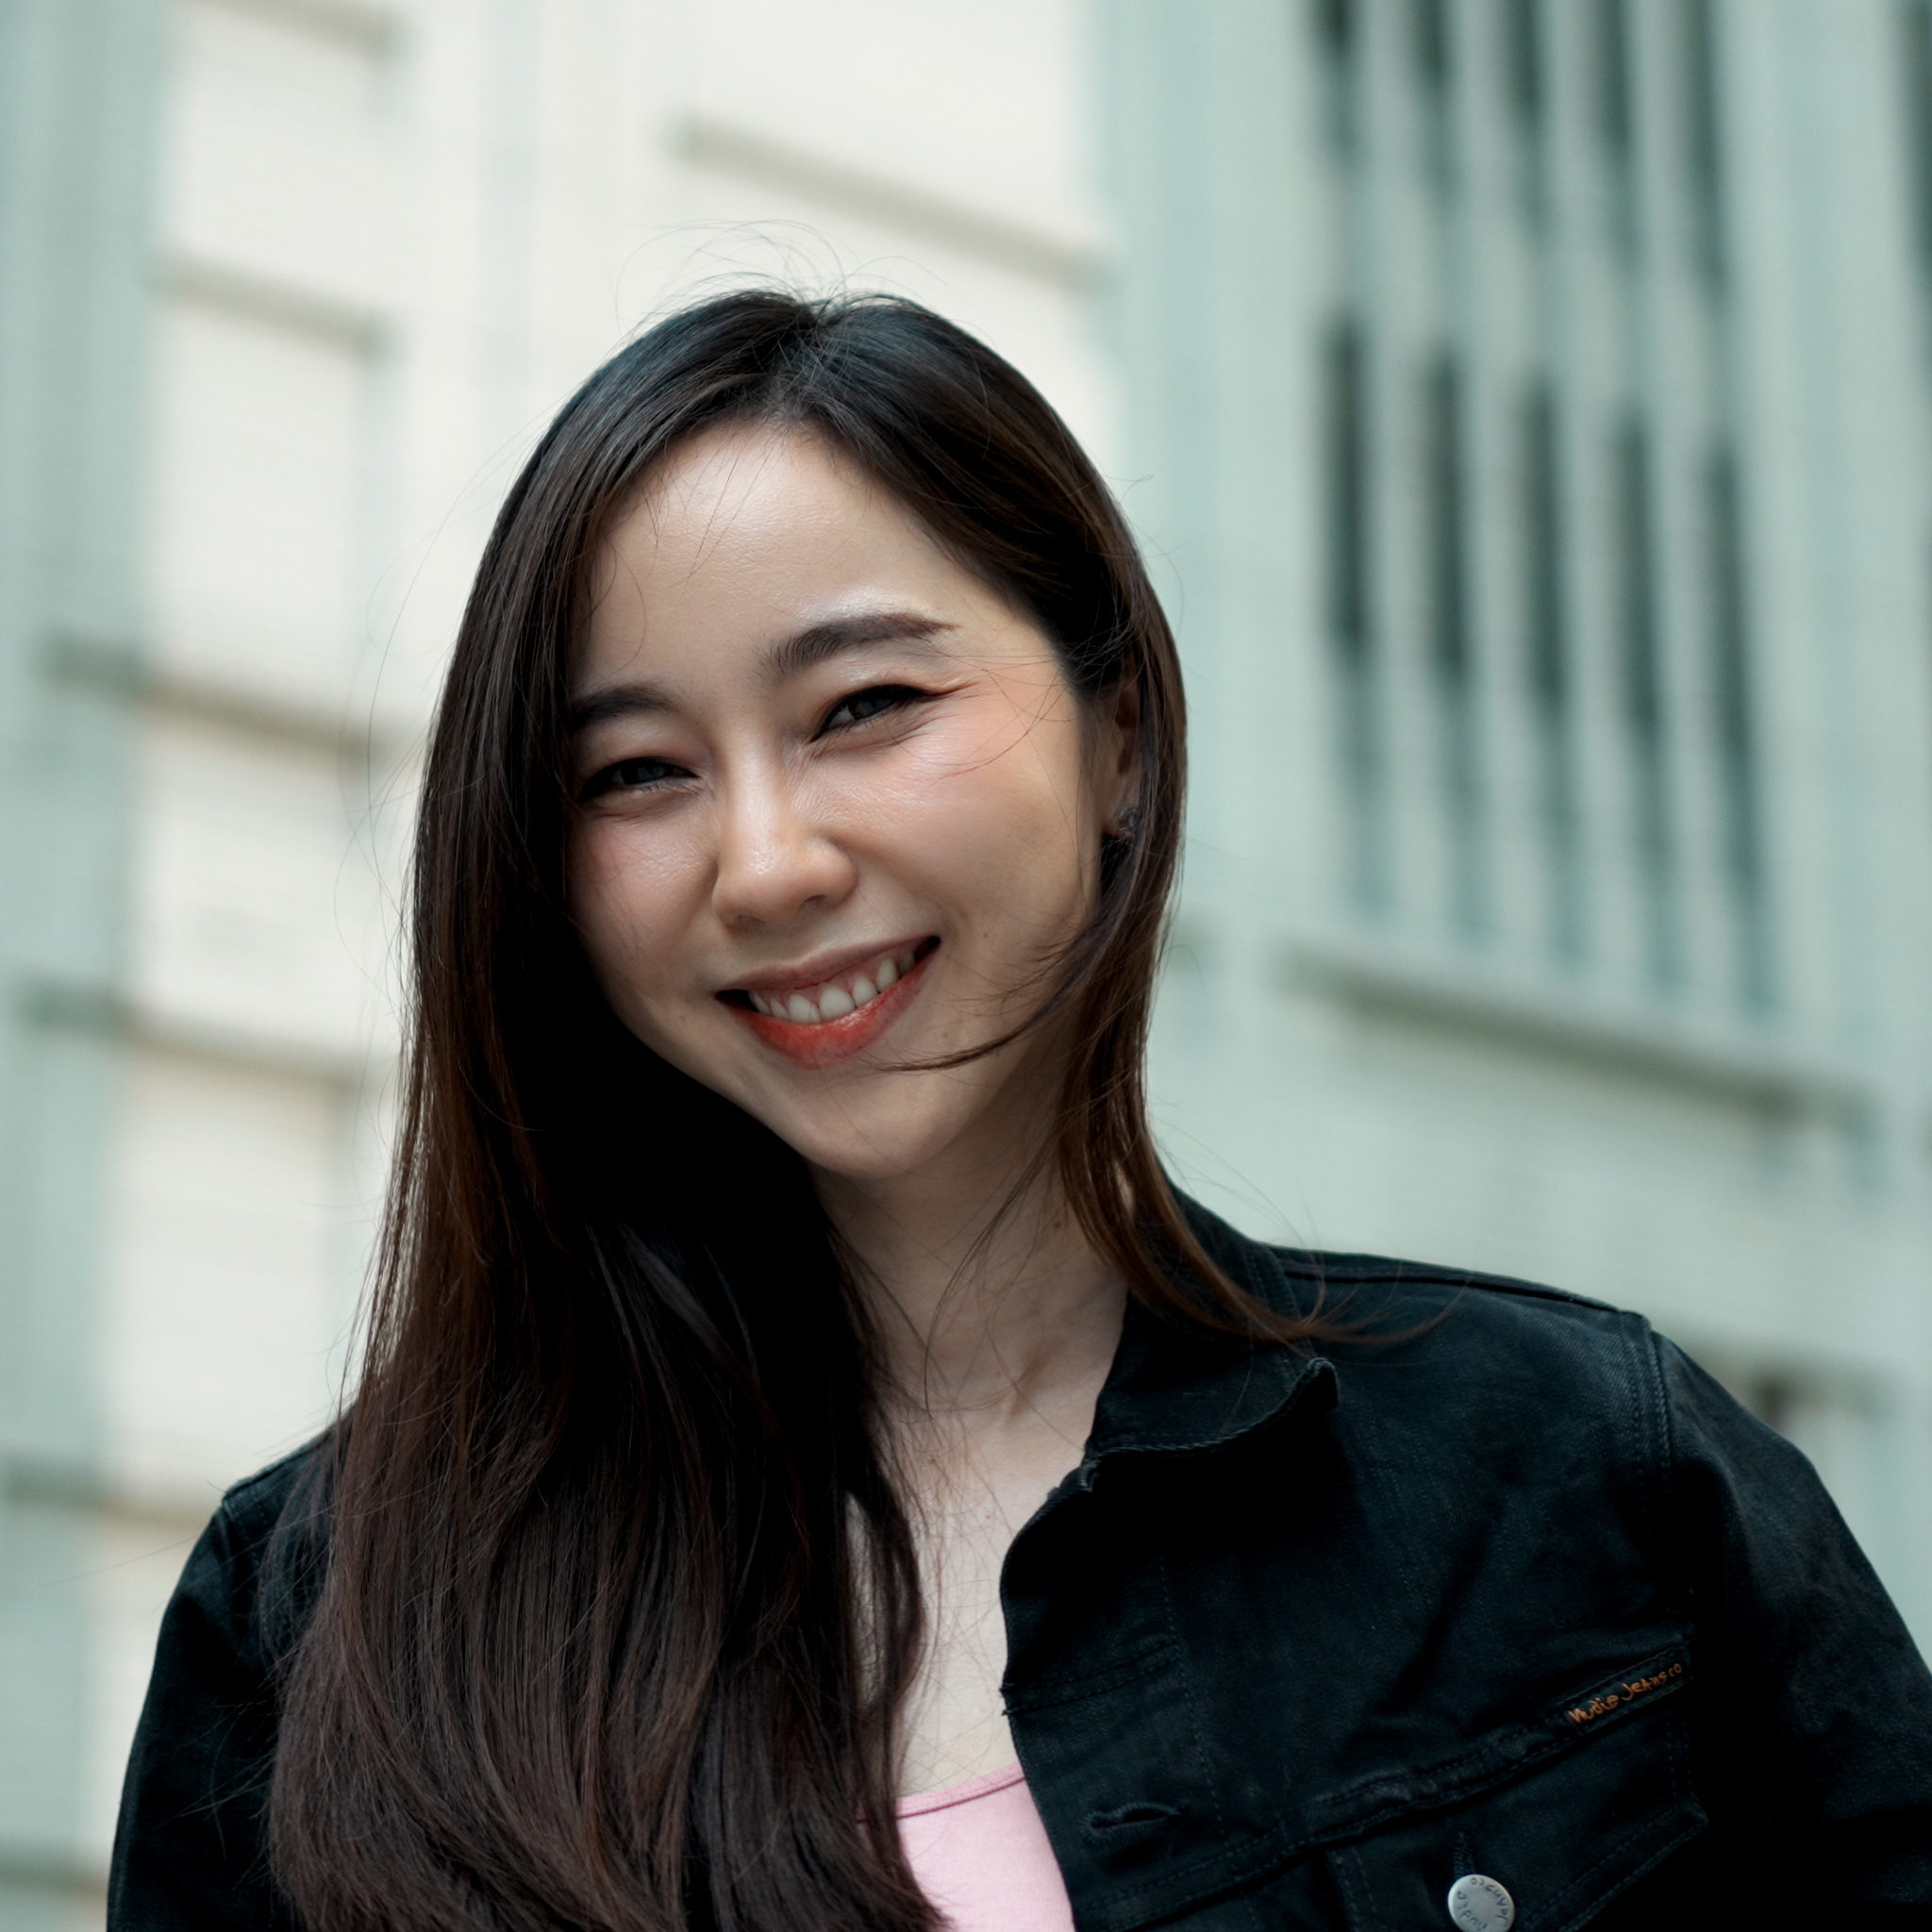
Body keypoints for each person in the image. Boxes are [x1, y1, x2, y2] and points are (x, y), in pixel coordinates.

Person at [108, 291, 1932, 1932]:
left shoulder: (1579, 1477)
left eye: (865, 705)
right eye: (638, 772)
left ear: (1116, 738)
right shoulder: (317, 1629)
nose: (766, 861)